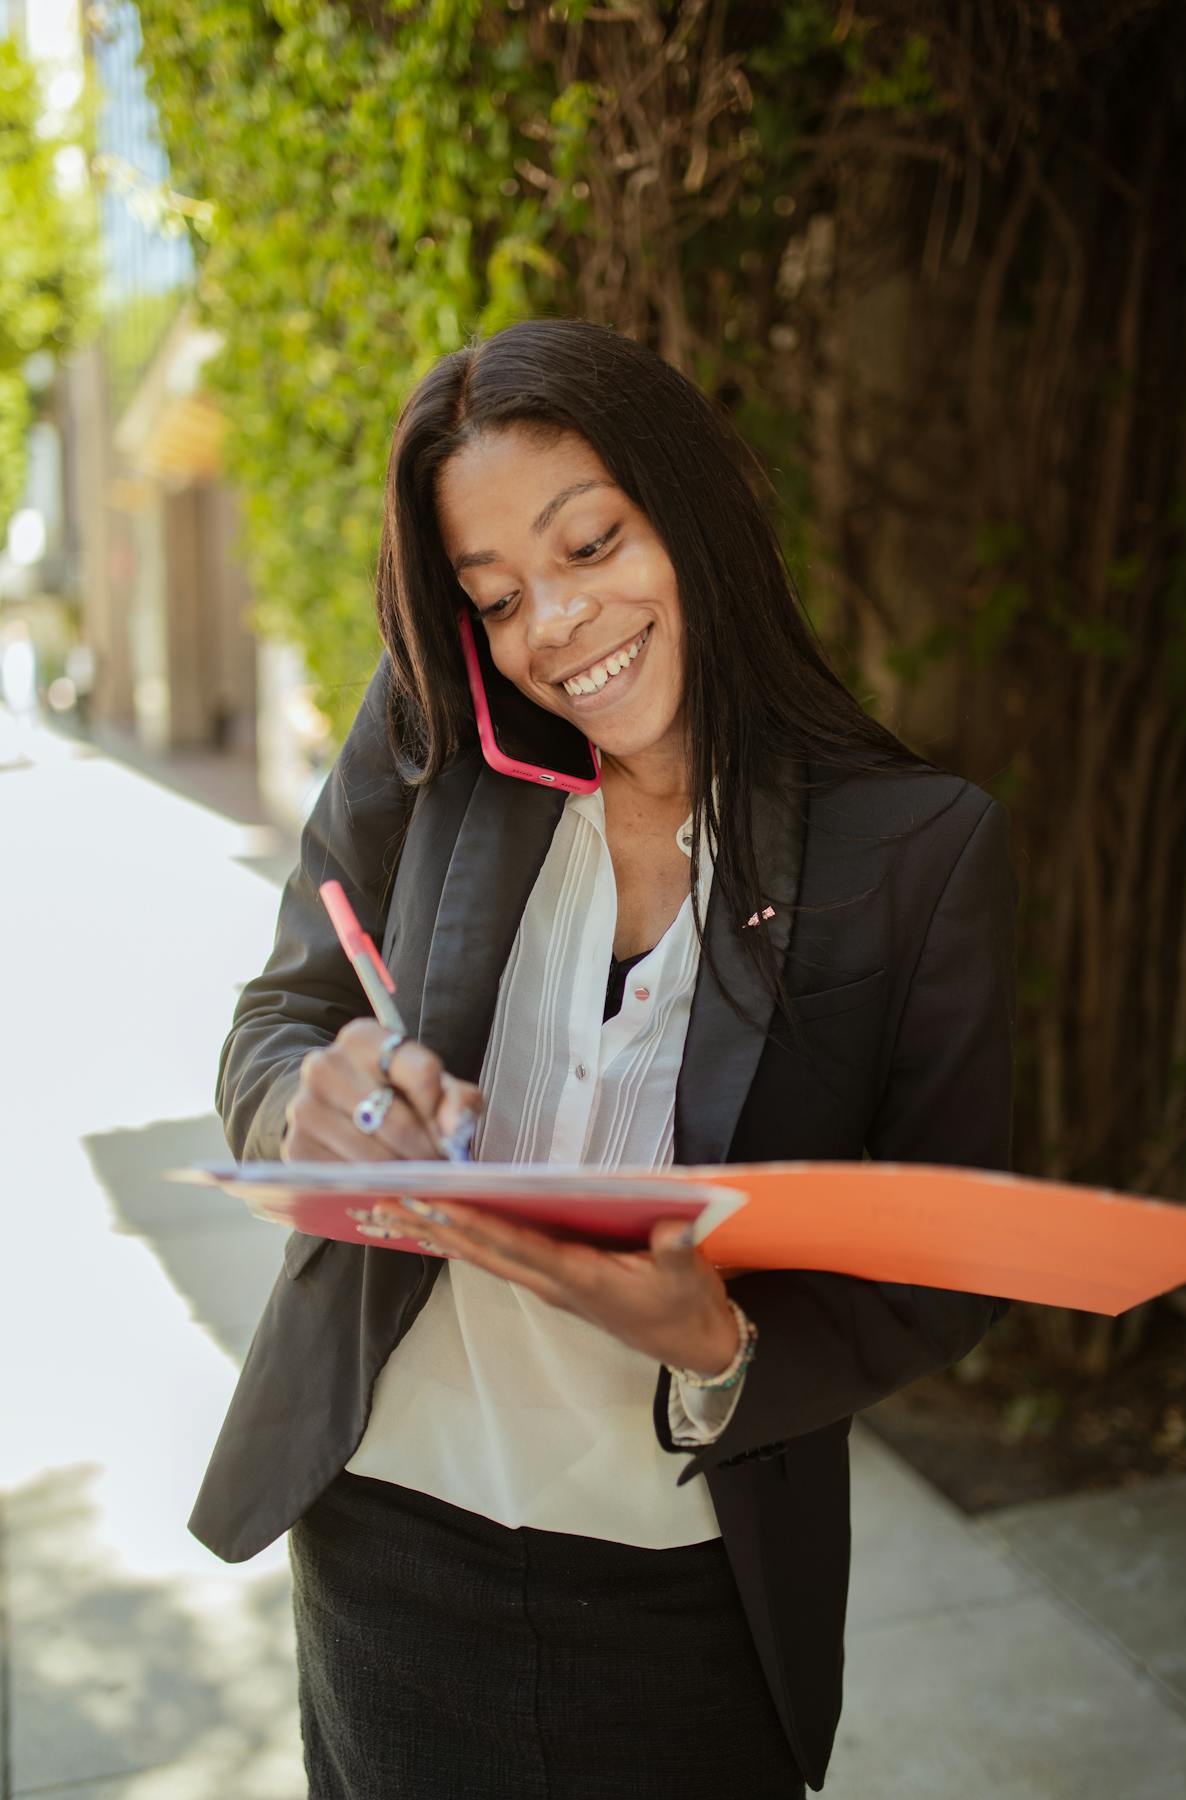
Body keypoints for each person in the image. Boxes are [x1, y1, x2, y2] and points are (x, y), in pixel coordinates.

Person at [191, 318, 1017, 1799]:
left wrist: (718, 1344)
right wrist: (305, 1110)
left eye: (589, 546)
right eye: (497, 596)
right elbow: (281, 1020)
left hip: (681, 1594)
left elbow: (940, 1268)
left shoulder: (914, 852)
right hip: (383, 1535)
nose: (553, 628)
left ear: (689, 511)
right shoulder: (434, 739)